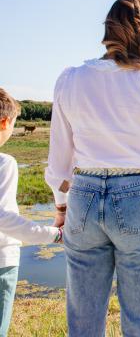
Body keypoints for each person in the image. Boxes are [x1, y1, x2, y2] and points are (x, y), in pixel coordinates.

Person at [45, 0, 140, 336]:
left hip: (84, 195)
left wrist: (61, 204)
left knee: (83, 317)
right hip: (139, 196)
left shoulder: (70, 79)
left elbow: (58, 159)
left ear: (109, 29)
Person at [0, 88, 62, 337]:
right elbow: (3, 218)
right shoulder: (5, 163)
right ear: (4, 122)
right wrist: (54, 235)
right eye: (14, 124)